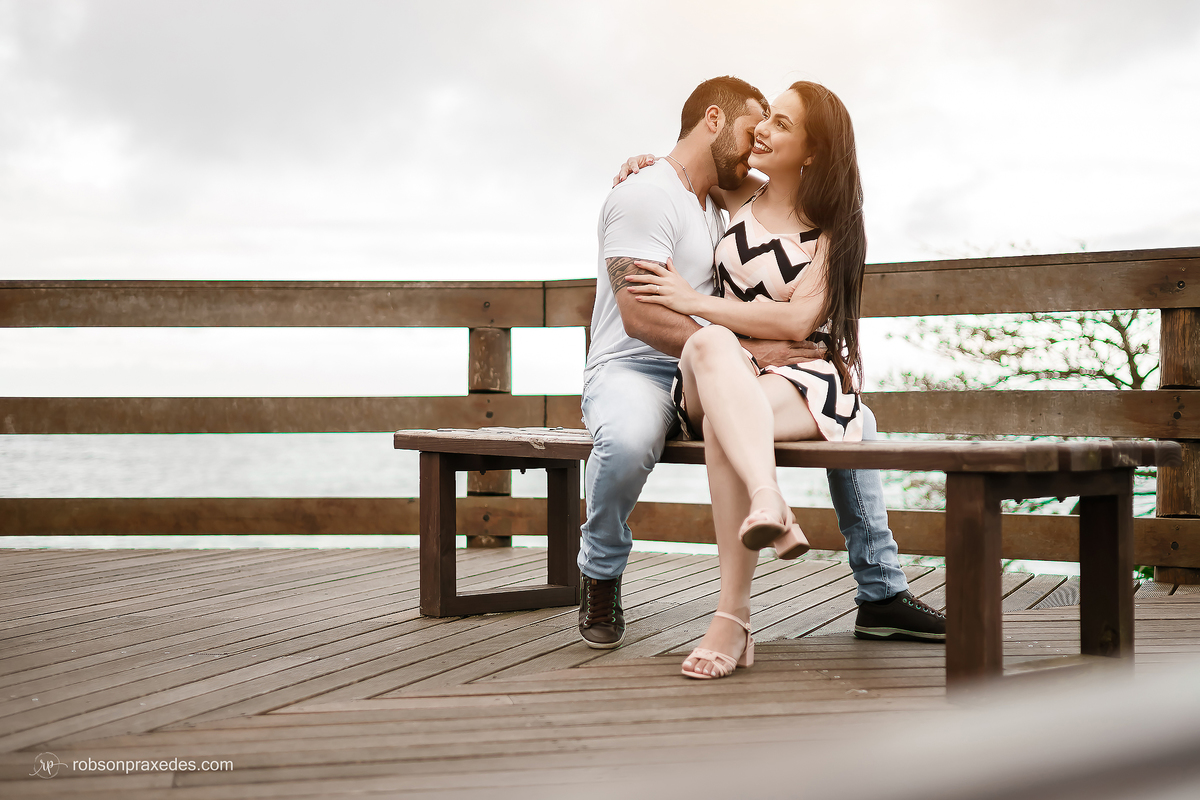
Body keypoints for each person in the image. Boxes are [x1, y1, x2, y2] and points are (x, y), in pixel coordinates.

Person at [579, 76, 944, 664]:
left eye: (779, 123)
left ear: (815, 150)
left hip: (780, 376)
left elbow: (801, 322)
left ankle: (745, 617)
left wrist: (696, 303)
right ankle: (764, 503)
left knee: (750, 400)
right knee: (716, 359)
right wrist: (651, 164)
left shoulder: (834, 226)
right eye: (763, 119)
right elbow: (691, 170)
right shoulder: (735, 194)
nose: (763, 133)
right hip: (716, 369)